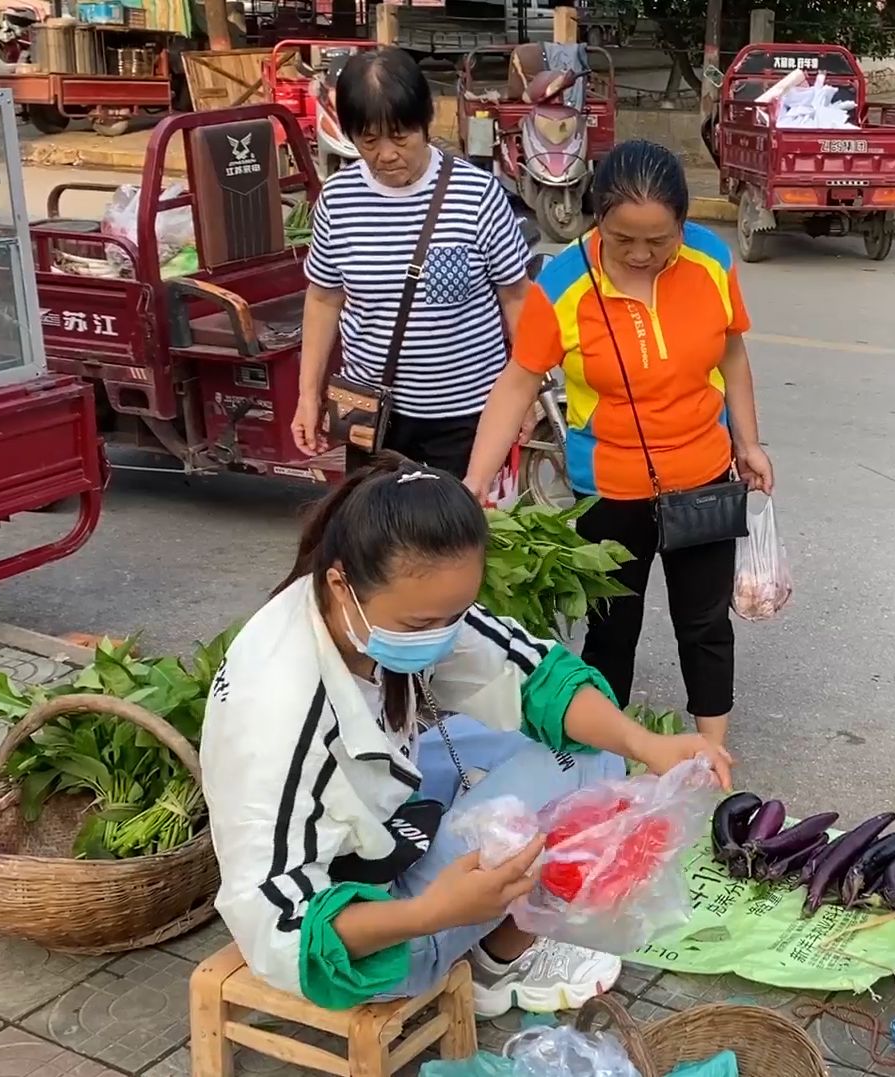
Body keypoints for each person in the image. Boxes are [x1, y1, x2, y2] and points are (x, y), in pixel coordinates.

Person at [201, 452, 733, 1014]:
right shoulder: (283, 717)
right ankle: (495, 963)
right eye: (421, 625)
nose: (443, 636)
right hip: (371, 929)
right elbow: (282, 928)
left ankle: (493, 930)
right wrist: (435, 912)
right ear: (341, 584)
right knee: (586, 780)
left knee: (597, 746)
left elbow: (530, 675)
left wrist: (646, 745)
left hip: (373, 820)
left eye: (454, 615)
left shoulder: (364, 604)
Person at [464, 140, 773, 751]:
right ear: (595, 217)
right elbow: (518, 382)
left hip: (704, 479)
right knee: (611, 630)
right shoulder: (564, 284)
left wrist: (749, 442)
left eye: (659, 240)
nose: (639, 254)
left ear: (684, 223)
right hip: (607, 491)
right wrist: (475, 479)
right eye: (621, 236)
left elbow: (733, 353)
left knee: (706, 624)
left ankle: (713, 750)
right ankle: (606, 755)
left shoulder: (712, 261)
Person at [293, 47, 532, 478]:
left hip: (468, 416)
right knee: (375, 537)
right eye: (368, 139)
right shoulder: (337, 201)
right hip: (372, 414)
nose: (386, 154)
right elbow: (324, 300)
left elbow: (517, 298)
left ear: (425, 120)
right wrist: (308, 396)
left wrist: (527, 394)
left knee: (458, 538)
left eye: (400, 135)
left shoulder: (476, 195)